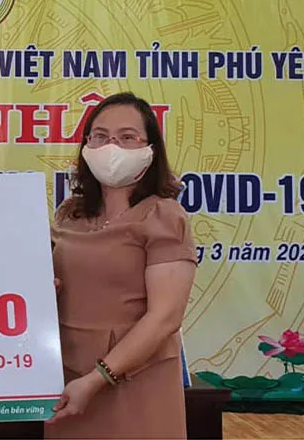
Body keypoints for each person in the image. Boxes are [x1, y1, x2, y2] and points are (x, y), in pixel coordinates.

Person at [46, 92, 197, 439]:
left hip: (133, 382)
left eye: (127, 137)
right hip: (67, 380)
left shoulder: (164, 216)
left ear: (150, 149)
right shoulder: (70, 213)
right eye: (100, 136)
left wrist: (97, 379)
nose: (111, 147)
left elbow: (165, 317)